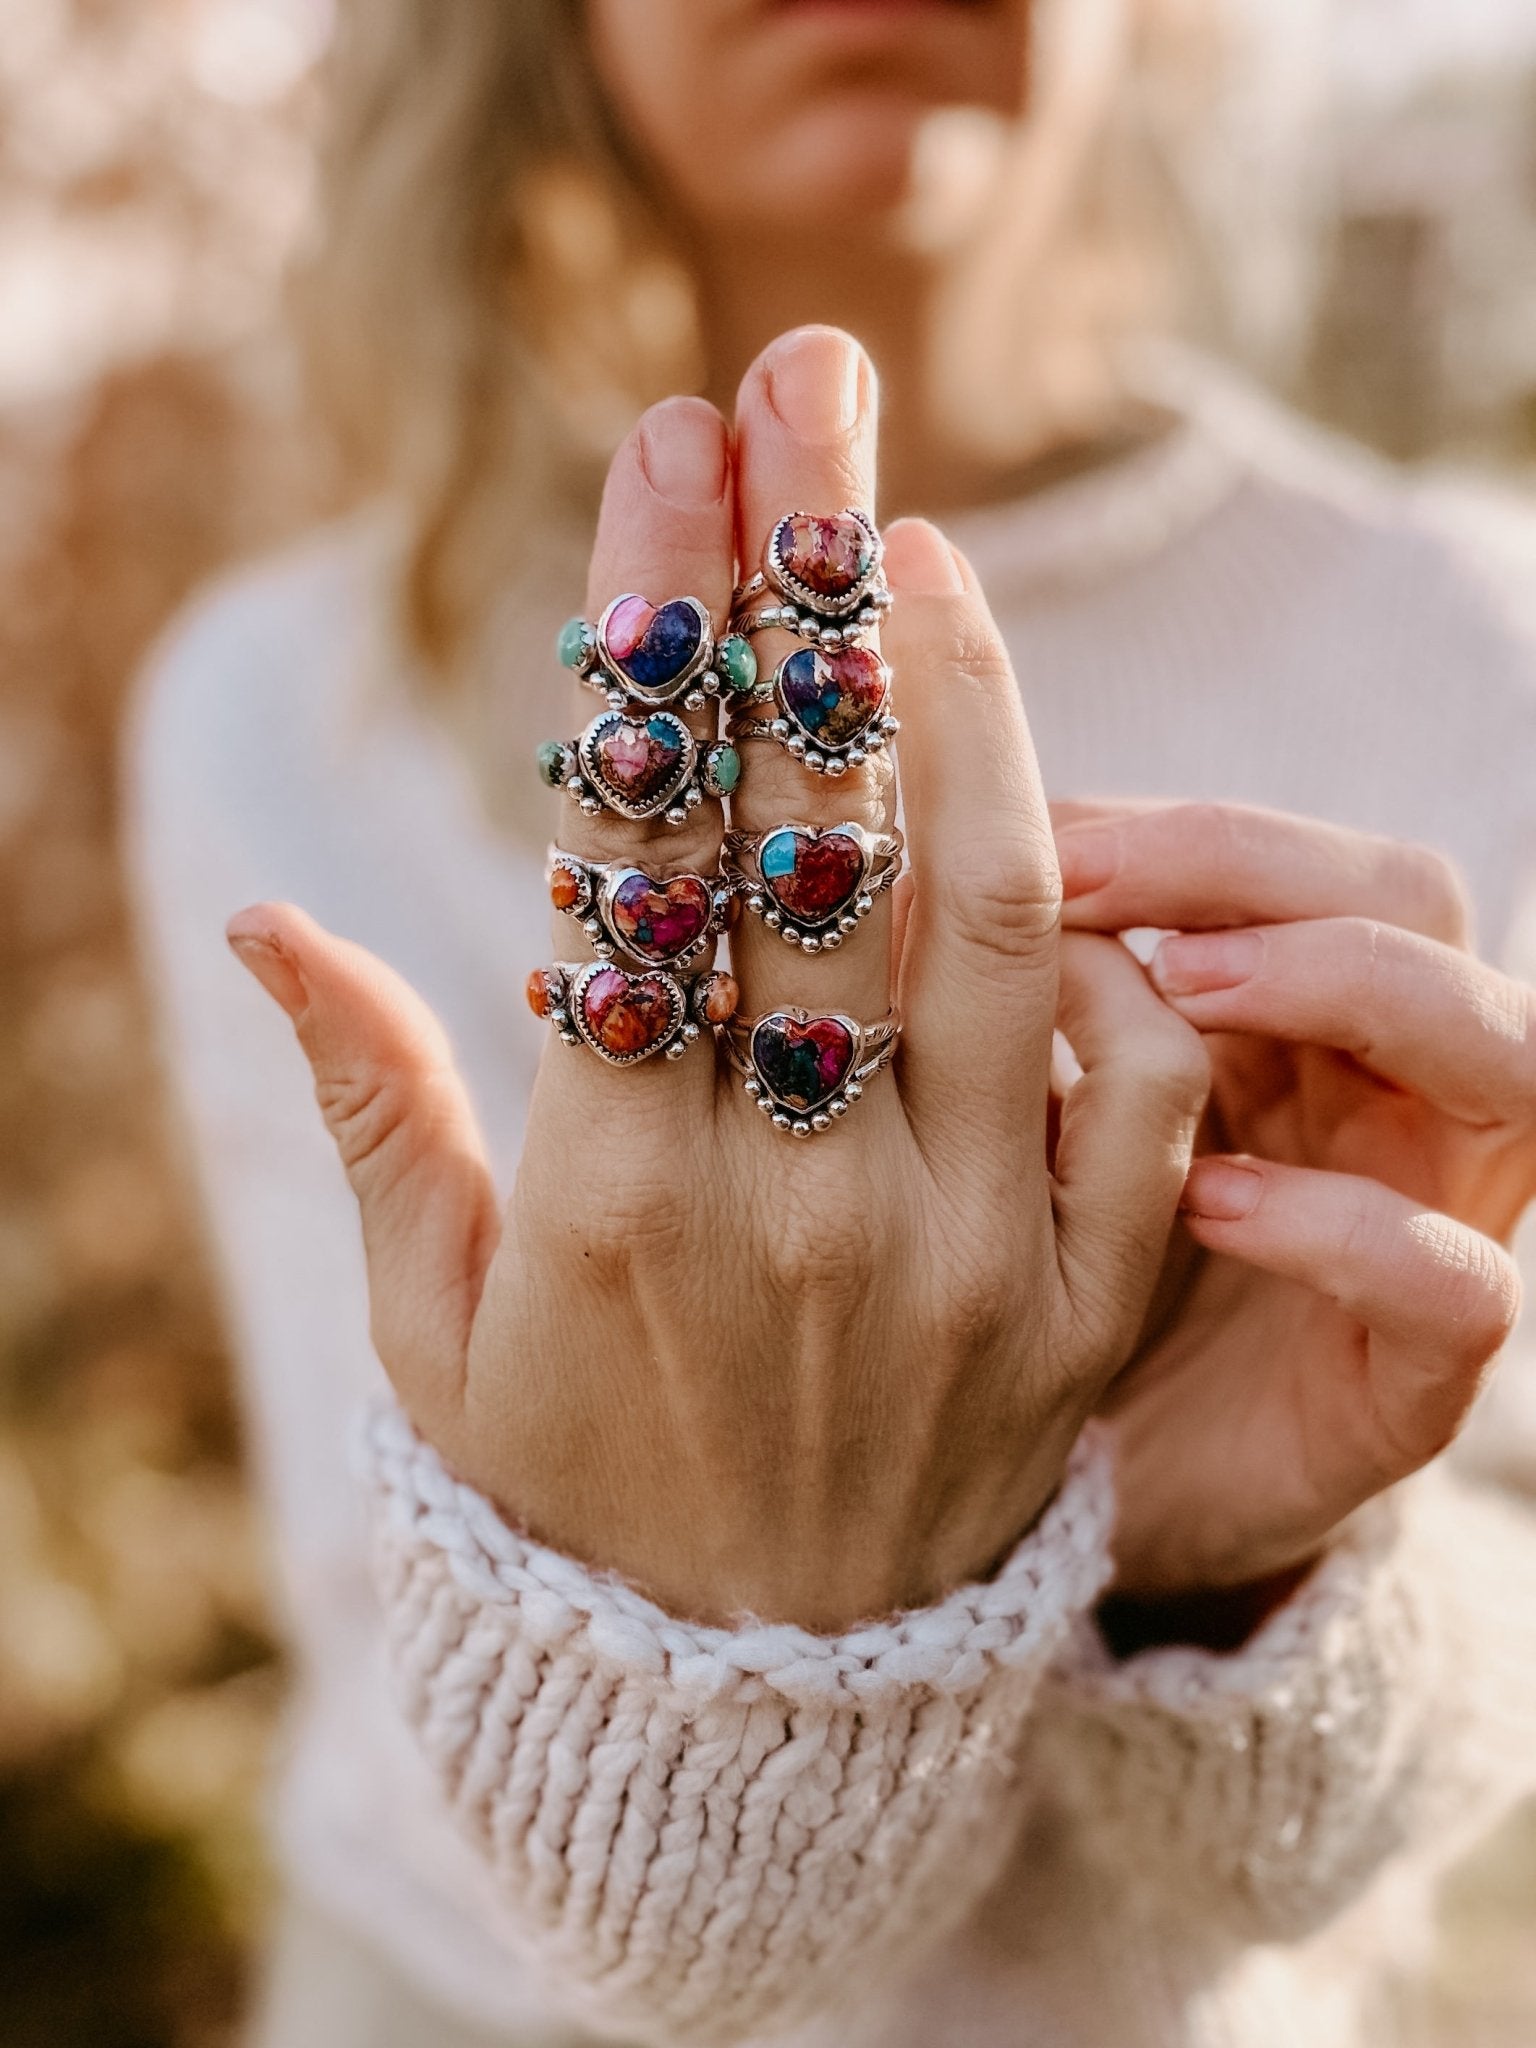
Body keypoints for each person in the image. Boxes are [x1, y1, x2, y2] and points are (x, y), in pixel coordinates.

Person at [127, 2, 1536, 2044]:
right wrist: (762, 1677)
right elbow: (382, 1652)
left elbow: (1500, 1568)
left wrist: (1220, 1573)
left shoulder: (1466, 642)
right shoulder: (289, 697)